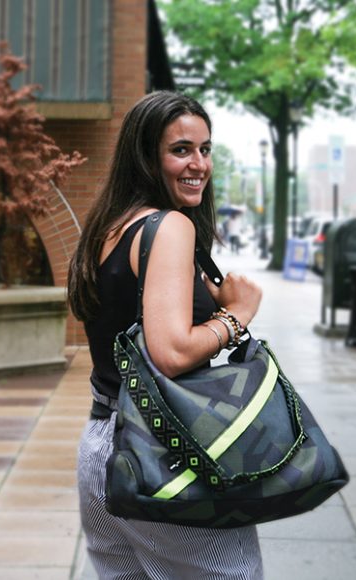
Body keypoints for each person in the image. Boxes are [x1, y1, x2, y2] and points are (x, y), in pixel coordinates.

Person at [67, 91, 264, 579]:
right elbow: (171, 351)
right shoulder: (169, 226)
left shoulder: (109, 228)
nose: (199, 163)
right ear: (146, 156)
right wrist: (237, 315)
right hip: (164, 452)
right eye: (181, 150)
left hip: (101, 447)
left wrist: (205, 297)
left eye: (205, 149)